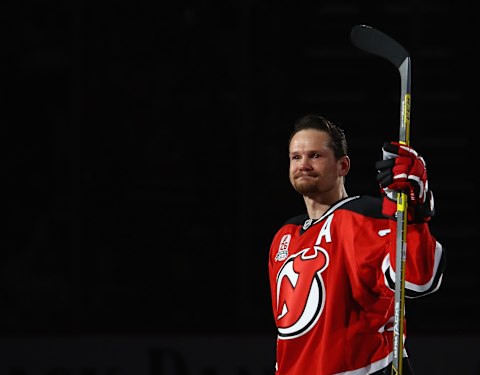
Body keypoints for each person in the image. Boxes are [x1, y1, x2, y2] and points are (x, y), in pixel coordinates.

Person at [268, 114, 445, 375]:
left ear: (343, 166)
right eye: (296, 157)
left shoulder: (365, 214)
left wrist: (414, 213)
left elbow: (418, 281)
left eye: (315, 155)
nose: (303, 164)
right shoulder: (285, 235)